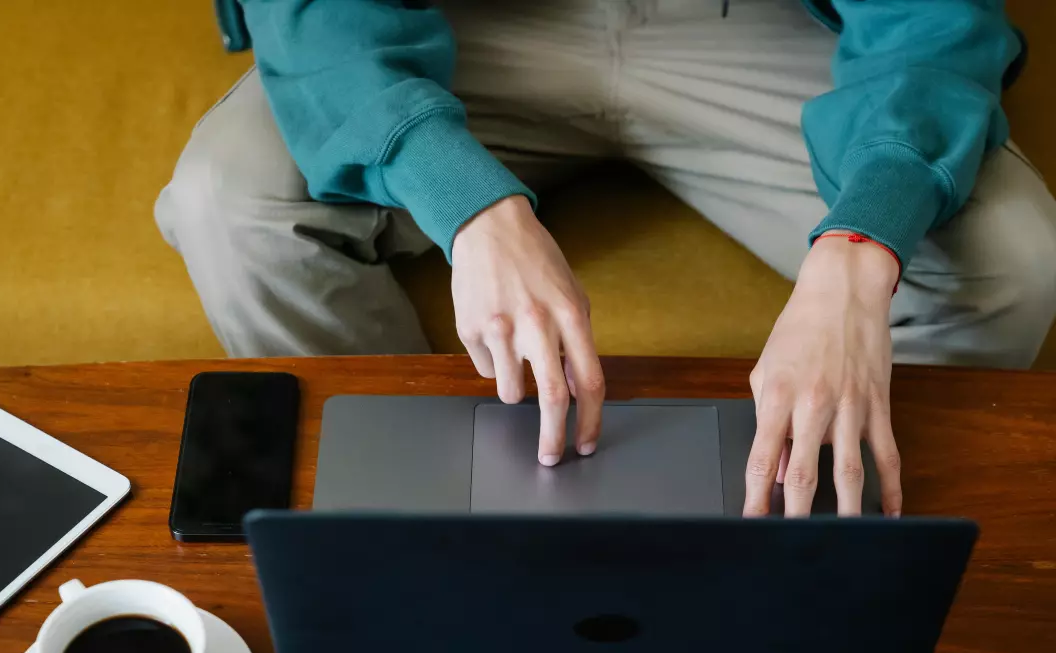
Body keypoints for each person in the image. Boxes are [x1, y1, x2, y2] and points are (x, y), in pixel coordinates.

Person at [156, 0, 1056, 518]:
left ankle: (835, 534)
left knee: (1012, 259)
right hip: (463, 25)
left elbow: (935, 19)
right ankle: (401, 529)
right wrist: (465, 203)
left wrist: (862, 248)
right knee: (230, 201)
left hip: (755, 25)